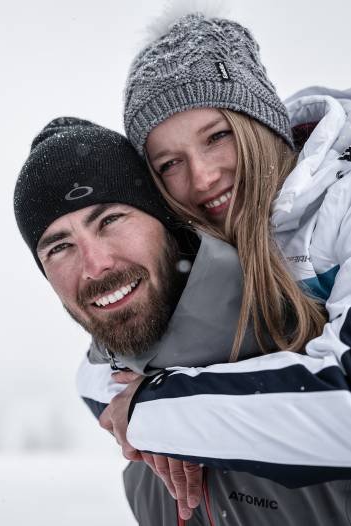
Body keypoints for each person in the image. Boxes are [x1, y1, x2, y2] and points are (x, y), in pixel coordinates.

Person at [15, 117, 351, 525]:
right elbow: (92, 375)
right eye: (59, 247)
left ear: (167, 223)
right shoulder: (133, 430)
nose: (95, 266)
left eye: (110, 220)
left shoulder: (297, 328)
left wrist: (156, 411)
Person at [84, 9, 351, 515]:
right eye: (169, 164)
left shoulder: (342, 207)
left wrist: (160, 410)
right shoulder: (198, 246)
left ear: (259, 121)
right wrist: (168, 414)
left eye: (216, 136)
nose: (203, 178)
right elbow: (97, 374)